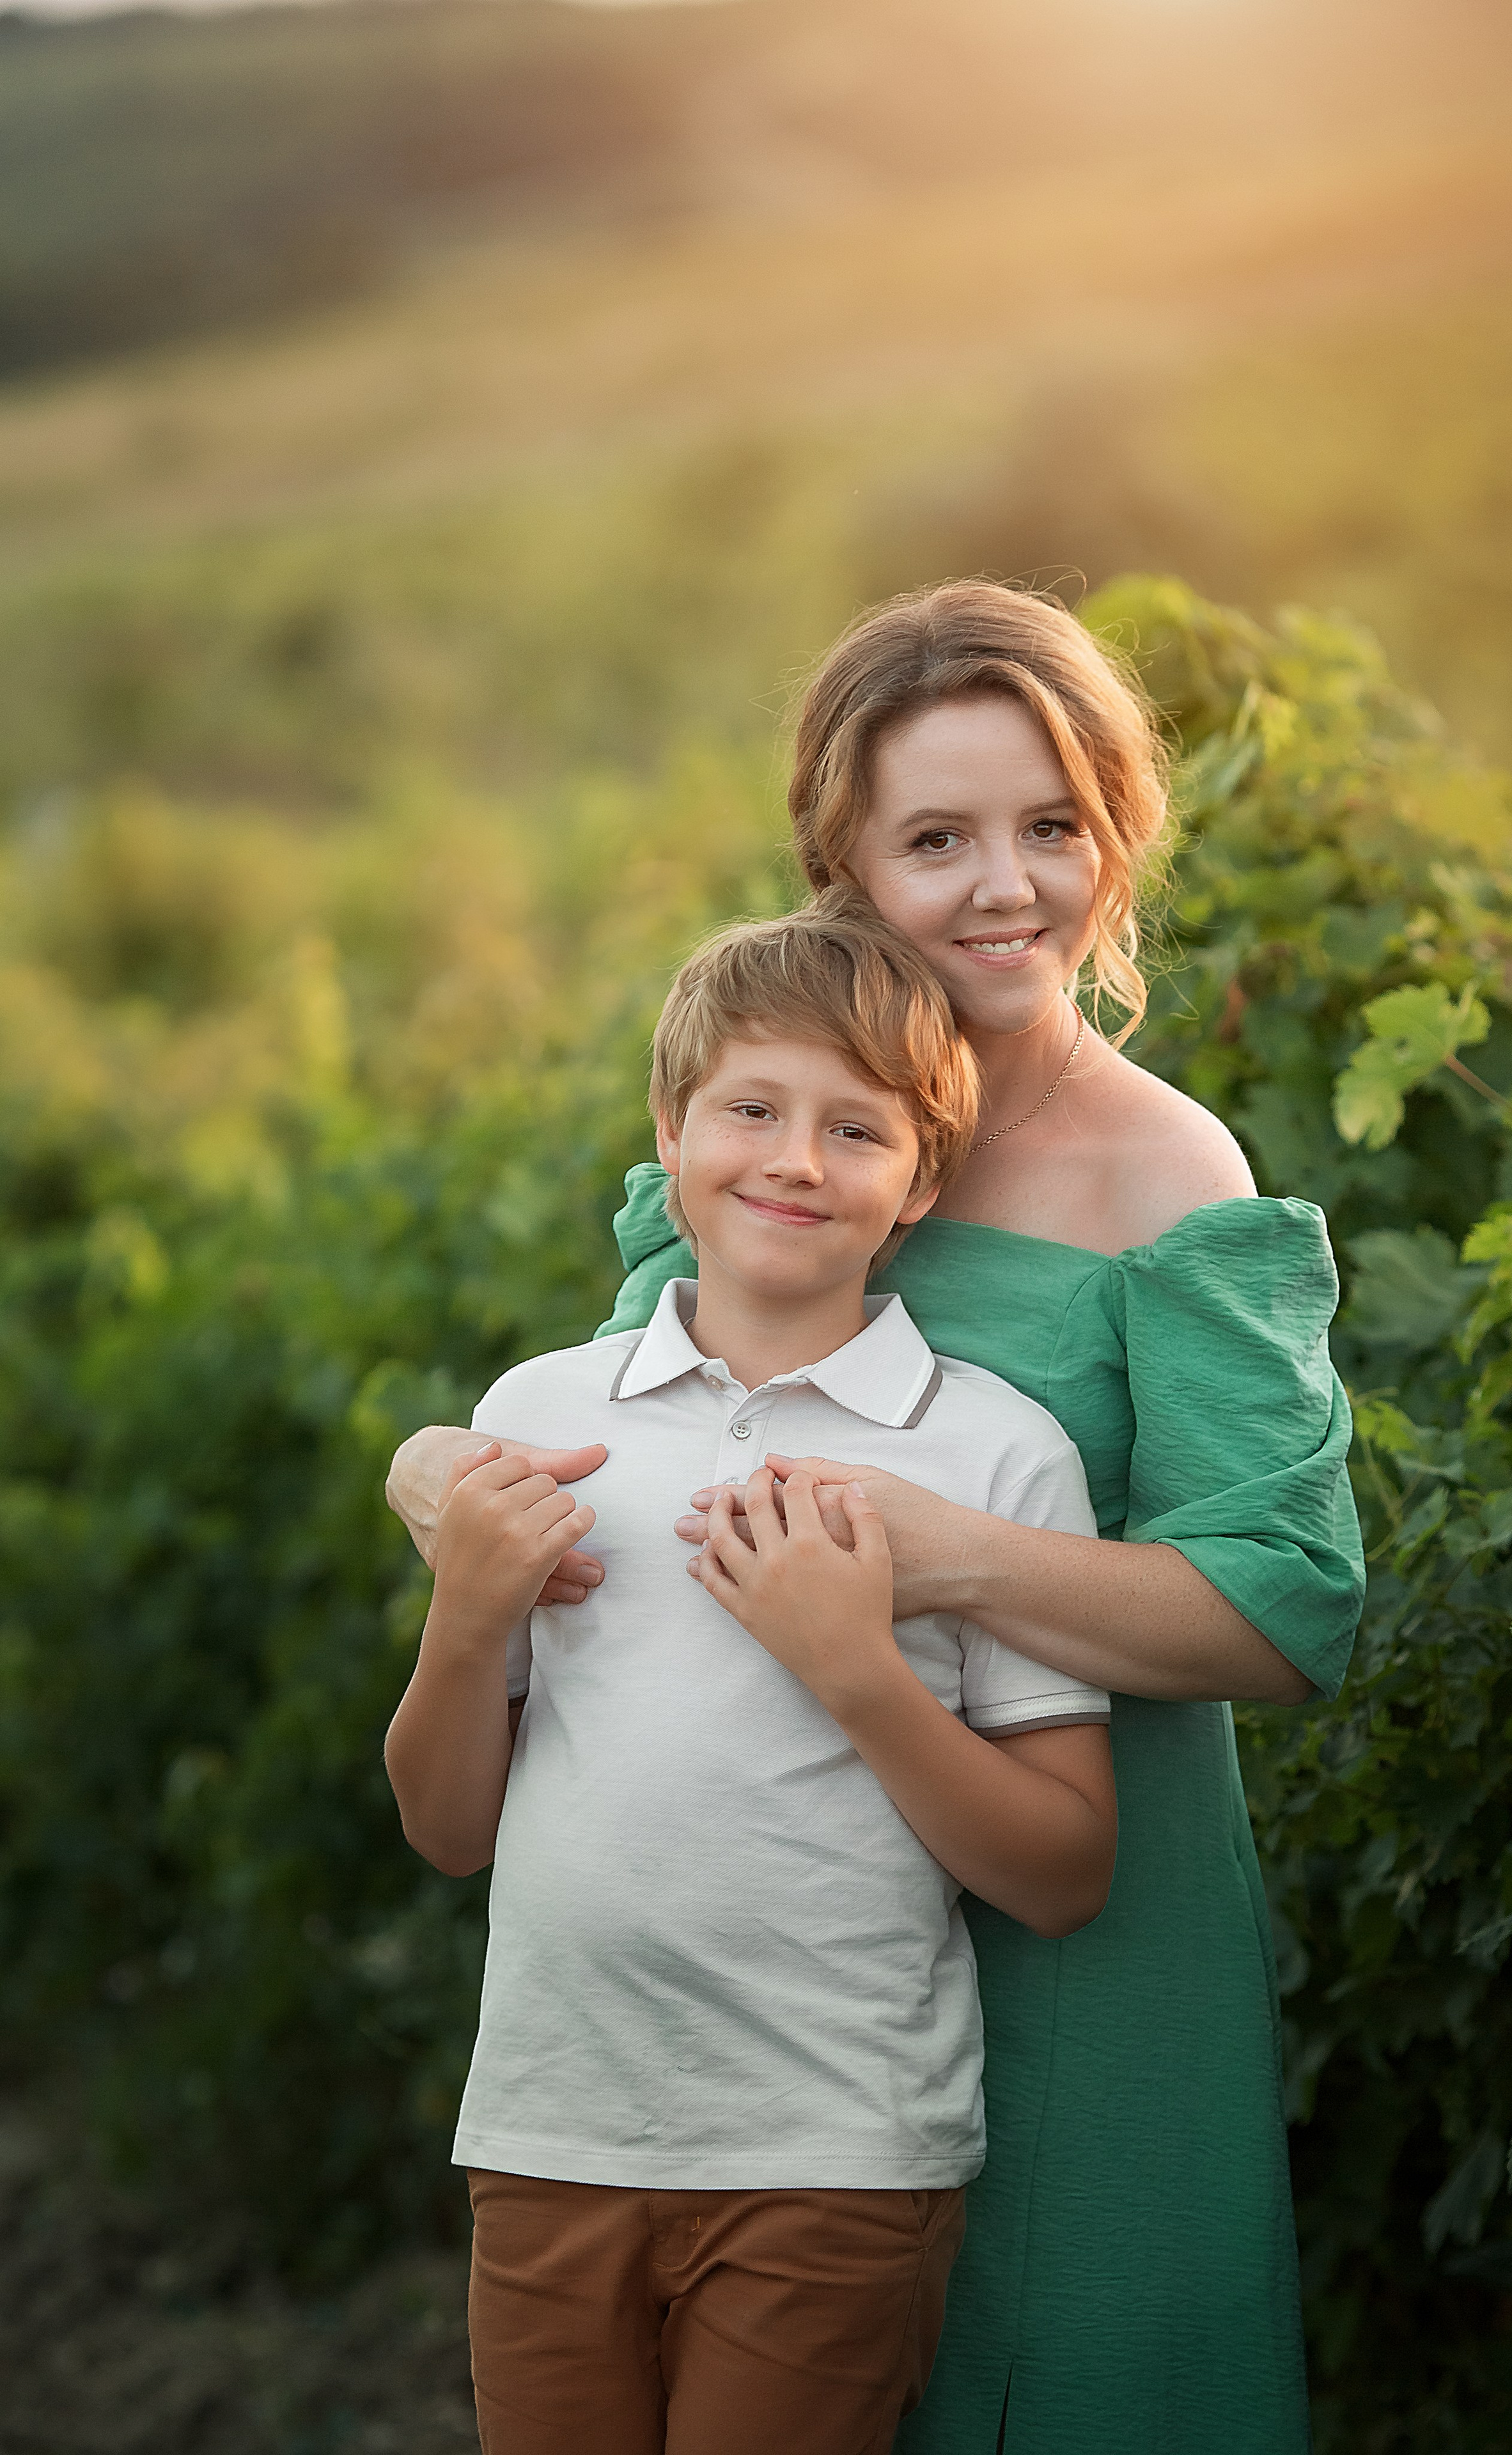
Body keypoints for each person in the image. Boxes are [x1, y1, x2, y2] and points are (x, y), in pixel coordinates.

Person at [388, 581, 1366, 2454]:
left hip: (1073, 1909)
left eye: (1053, 824)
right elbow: (615, 1436)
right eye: (937, 840)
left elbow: (1284, 1611)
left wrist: (938, 1561)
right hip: (762, 1945)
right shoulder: (785, 1144)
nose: (1008, 887)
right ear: (841, 860)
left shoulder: (1171, 1172)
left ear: (1117, 834)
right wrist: (429, 1471)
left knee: (1060, 2385)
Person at [384, 904, 1118, 2455]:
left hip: (834, 2150)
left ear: (921, 1180)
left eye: (856, 1129)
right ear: (670, 1131)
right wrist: (465, 1616)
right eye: (751, 1110)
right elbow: (447, 1831)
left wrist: (856, 1674)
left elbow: (1062, 1873)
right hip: (551, 2131)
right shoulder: (538, 1420)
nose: (795, 1161)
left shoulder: (992, 1452)